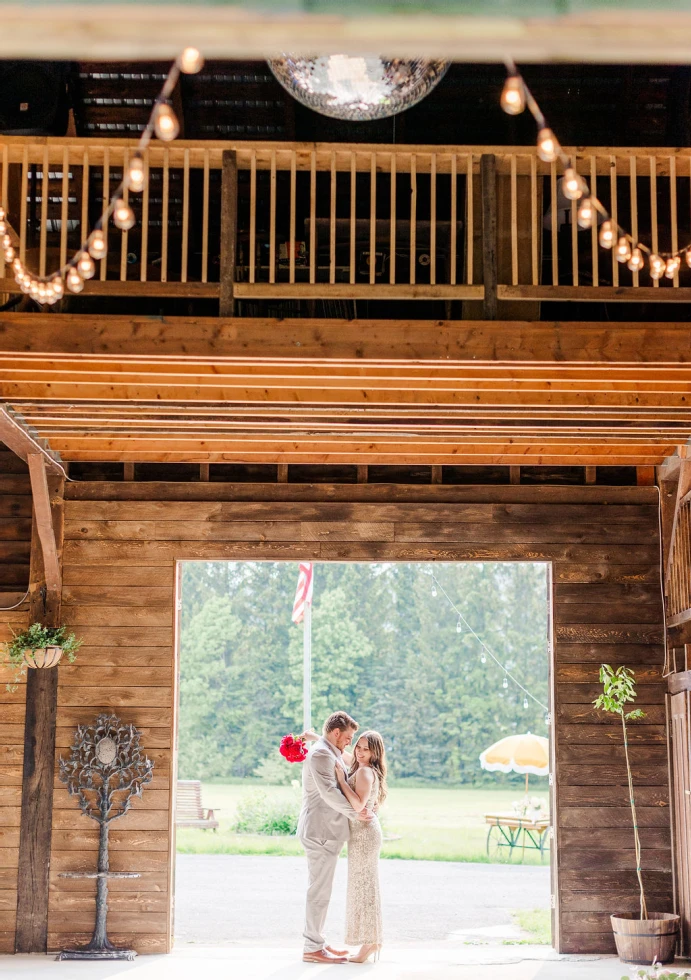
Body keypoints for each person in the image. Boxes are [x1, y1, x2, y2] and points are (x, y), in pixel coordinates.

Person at [298, 711, 374, 965]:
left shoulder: (328, 749)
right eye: (348, 738)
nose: (349, 743)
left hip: (327, 831)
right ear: (336, 733)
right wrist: (357, 812)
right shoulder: (321, 754)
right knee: (319, 889)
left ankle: (318, 941)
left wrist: (314, 735)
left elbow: (347, 760)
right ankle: (312, 947)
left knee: (323, 887)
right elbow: (329, 793)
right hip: (321, 831)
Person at [336, 731, 386, 964]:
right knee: (362, 886)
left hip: (365, 835)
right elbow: (343, 755)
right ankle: (372, 940)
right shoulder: (361, 765)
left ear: (374, 752)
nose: (359, 751)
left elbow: (358, 805)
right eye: (358, 746)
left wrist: (342, 781)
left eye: (366, 749)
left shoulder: (365, 771)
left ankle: (370, 944)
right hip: (360, 834)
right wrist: (316, 738)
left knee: (365, 887)